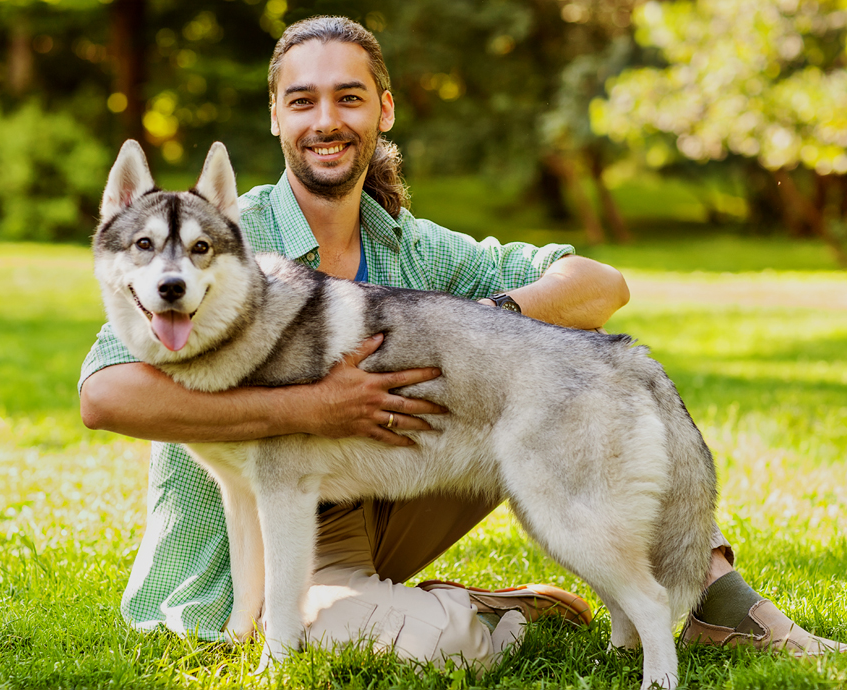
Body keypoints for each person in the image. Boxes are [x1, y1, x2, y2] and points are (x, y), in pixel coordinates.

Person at [80, 15, 845, 666]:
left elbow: (598, 284)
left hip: (392, 476)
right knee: (419, 644)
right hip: (278, 537)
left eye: (348, 98)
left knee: (587, 385)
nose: (326, 120)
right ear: (275, 116)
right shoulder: (221, 238)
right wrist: (314, 406)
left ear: (383, 110)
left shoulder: (417, 250)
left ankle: (725, 603)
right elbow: (105, 398)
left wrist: (490, 328)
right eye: (302, 100)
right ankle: (482, 611)